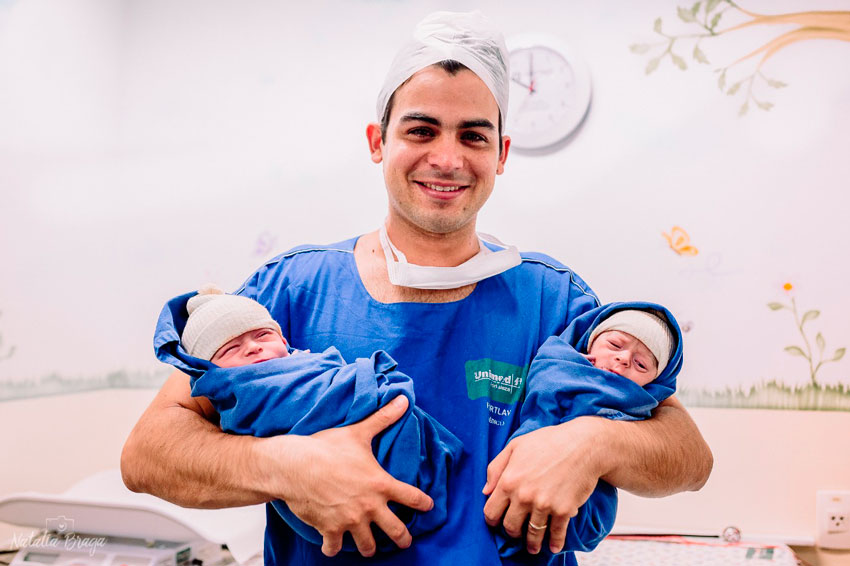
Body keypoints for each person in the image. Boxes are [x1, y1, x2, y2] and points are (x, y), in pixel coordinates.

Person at [121, 10, 713, 566]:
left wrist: (592, 443)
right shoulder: (293, 289)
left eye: (474, 136)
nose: (447, 158)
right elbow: (148, 452)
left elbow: (688, 456)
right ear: (378, 142)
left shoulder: (552, 301)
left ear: (502, 154)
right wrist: (285, 466)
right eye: (422, 129)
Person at [154, 284, 463, 552]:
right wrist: (363, 384)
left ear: (282, 338)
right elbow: (149, 453)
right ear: (213, 372)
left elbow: (324, 375)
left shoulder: (301, 359)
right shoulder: (240, 390)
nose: (253, 347)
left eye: (262, 334)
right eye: (231, 348)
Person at [497, 303, 682, 559]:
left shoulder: (640, 402)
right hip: (525, 451)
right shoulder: (558, 360)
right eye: (615, 346)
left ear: (654, 383)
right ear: (591, 341)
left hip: (586, 496)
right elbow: (545, 385)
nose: (624, 359)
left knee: (573, 526)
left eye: (641, 365)